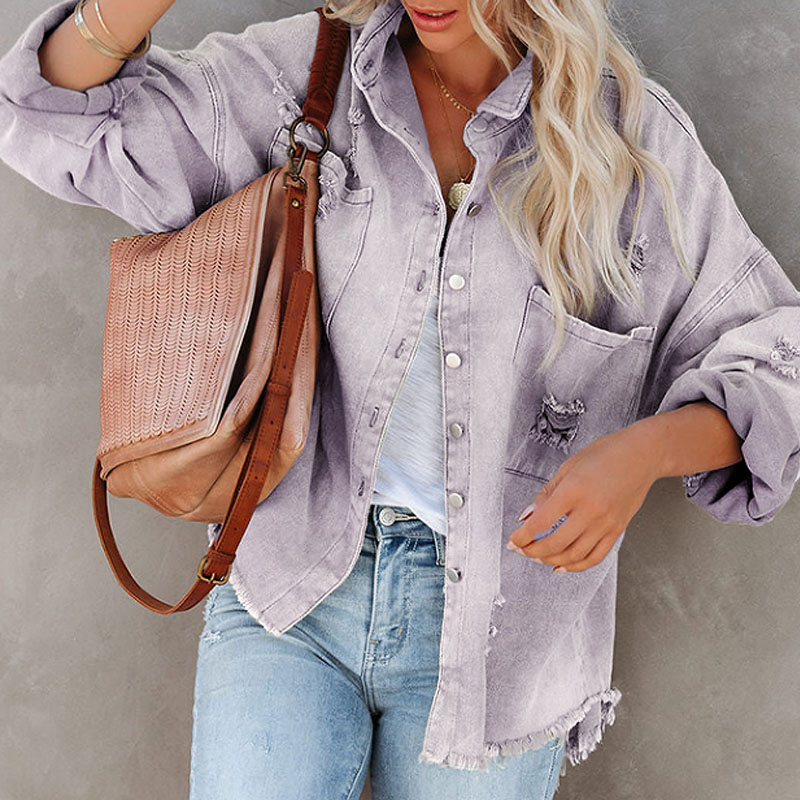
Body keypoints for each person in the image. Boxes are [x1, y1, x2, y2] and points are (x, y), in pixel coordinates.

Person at [1, 0, 798, 798]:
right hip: (292, 589)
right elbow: (53, 115)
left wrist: (641, 454)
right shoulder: (311, 76)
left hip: (499, 637)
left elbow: (778, 360)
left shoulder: (632, 142)